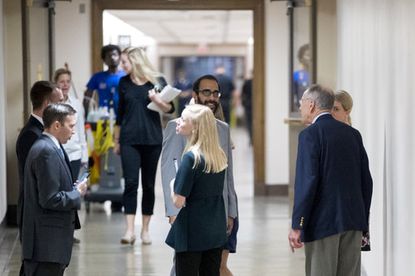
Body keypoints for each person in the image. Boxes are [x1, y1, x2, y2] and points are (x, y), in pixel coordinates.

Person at [288, 84, 373, 276]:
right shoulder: (353, 134)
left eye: (301, 103)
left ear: (311, 105)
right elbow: (366, 182)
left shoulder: (310, 135)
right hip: (353, 221)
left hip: (323, 224)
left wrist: (298, 224)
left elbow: (306, 183)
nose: (300, 108)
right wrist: (362, 221)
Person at [161, 74, 238, 276]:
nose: (212, 97)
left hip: (215, 213)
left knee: (211, 266)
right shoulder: (176, 127)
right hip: (187, 212)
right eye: (206, 92)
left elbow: (228, 176)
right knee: (183, 265)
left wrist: (231, 209)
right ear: (194, 95)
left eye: (215, 93)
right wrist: (172, 211)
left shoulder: (223, 129)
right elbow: (169, 167)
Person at [114, 46, 175, 245]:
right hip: (129, 140)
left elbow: (170, 109)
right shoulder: (123, 82)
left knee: (148, 185)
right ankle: (129, 230)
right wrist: (116, 140)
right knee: (131, 184)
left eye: (124, 62)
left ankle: (146, 230)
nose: (121, 65)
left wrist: (157, 99)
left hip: (152, 140)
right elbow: (119, 114)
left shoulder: (157, 81)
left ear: (136, 61)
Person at [21, 103, 88, 276]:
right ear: (57, 125)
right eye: (71, 126)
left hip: (49, 245)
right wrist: (77, 193)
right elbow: (50, 198)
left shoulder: (51, 147)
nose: (74, 131)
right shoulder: (46, 151)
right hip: (46, 246)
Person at [165, 104, 228, 276]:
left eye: (184, 119)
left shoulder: (191, 158)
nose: (179, 121)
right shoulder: (219, 155)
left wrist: (172, 184)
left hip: (192, 231)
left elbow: (179, 201)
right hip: (214, 228)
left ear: (196, 127)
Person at [15, 81, 64, 275]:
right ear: (47, 105)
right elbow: (39, 182)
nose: (64, 106)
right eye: (60, 102)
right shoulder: (31, 135)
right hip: (36, 215)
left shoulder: (43, 132)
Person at [54, 68, 88, 180]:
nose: (65, 85)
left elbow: (81, 130)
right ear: (56, 83)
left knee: (72, 189)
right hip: (57, 153)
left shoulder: (76, 103)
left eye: (68, 81)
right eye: (62, 81)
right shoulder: (51, 105)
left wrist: (84, 155)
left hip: (75, 154)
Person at [83, 44, 125, 118]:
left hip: (123, 116)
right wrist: (85, 118)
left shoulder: (126, 76)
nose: (112, 58)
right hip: (103, 117)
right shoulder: (97, 77)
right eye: (109, 56)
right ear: (104, 60)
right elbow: (87, 99)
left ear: (119, 57)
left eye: (115, 55)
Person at [292, 44, 311, 112]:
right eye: (307, 55)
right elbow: (291, 98)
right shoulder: (295, 76)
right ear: (301, 58)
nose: (310, 58)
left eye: (311, 55)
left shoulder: (316, 75)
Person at [241, 74, 253, 145]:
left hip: (248, 105)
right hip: (252, 105)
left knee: (249, 123)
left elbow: (243, 94)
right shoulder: (260, 83)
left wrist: (243, 104)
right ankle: (253, 138)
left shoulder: (247, 82)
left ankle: (251, 138)